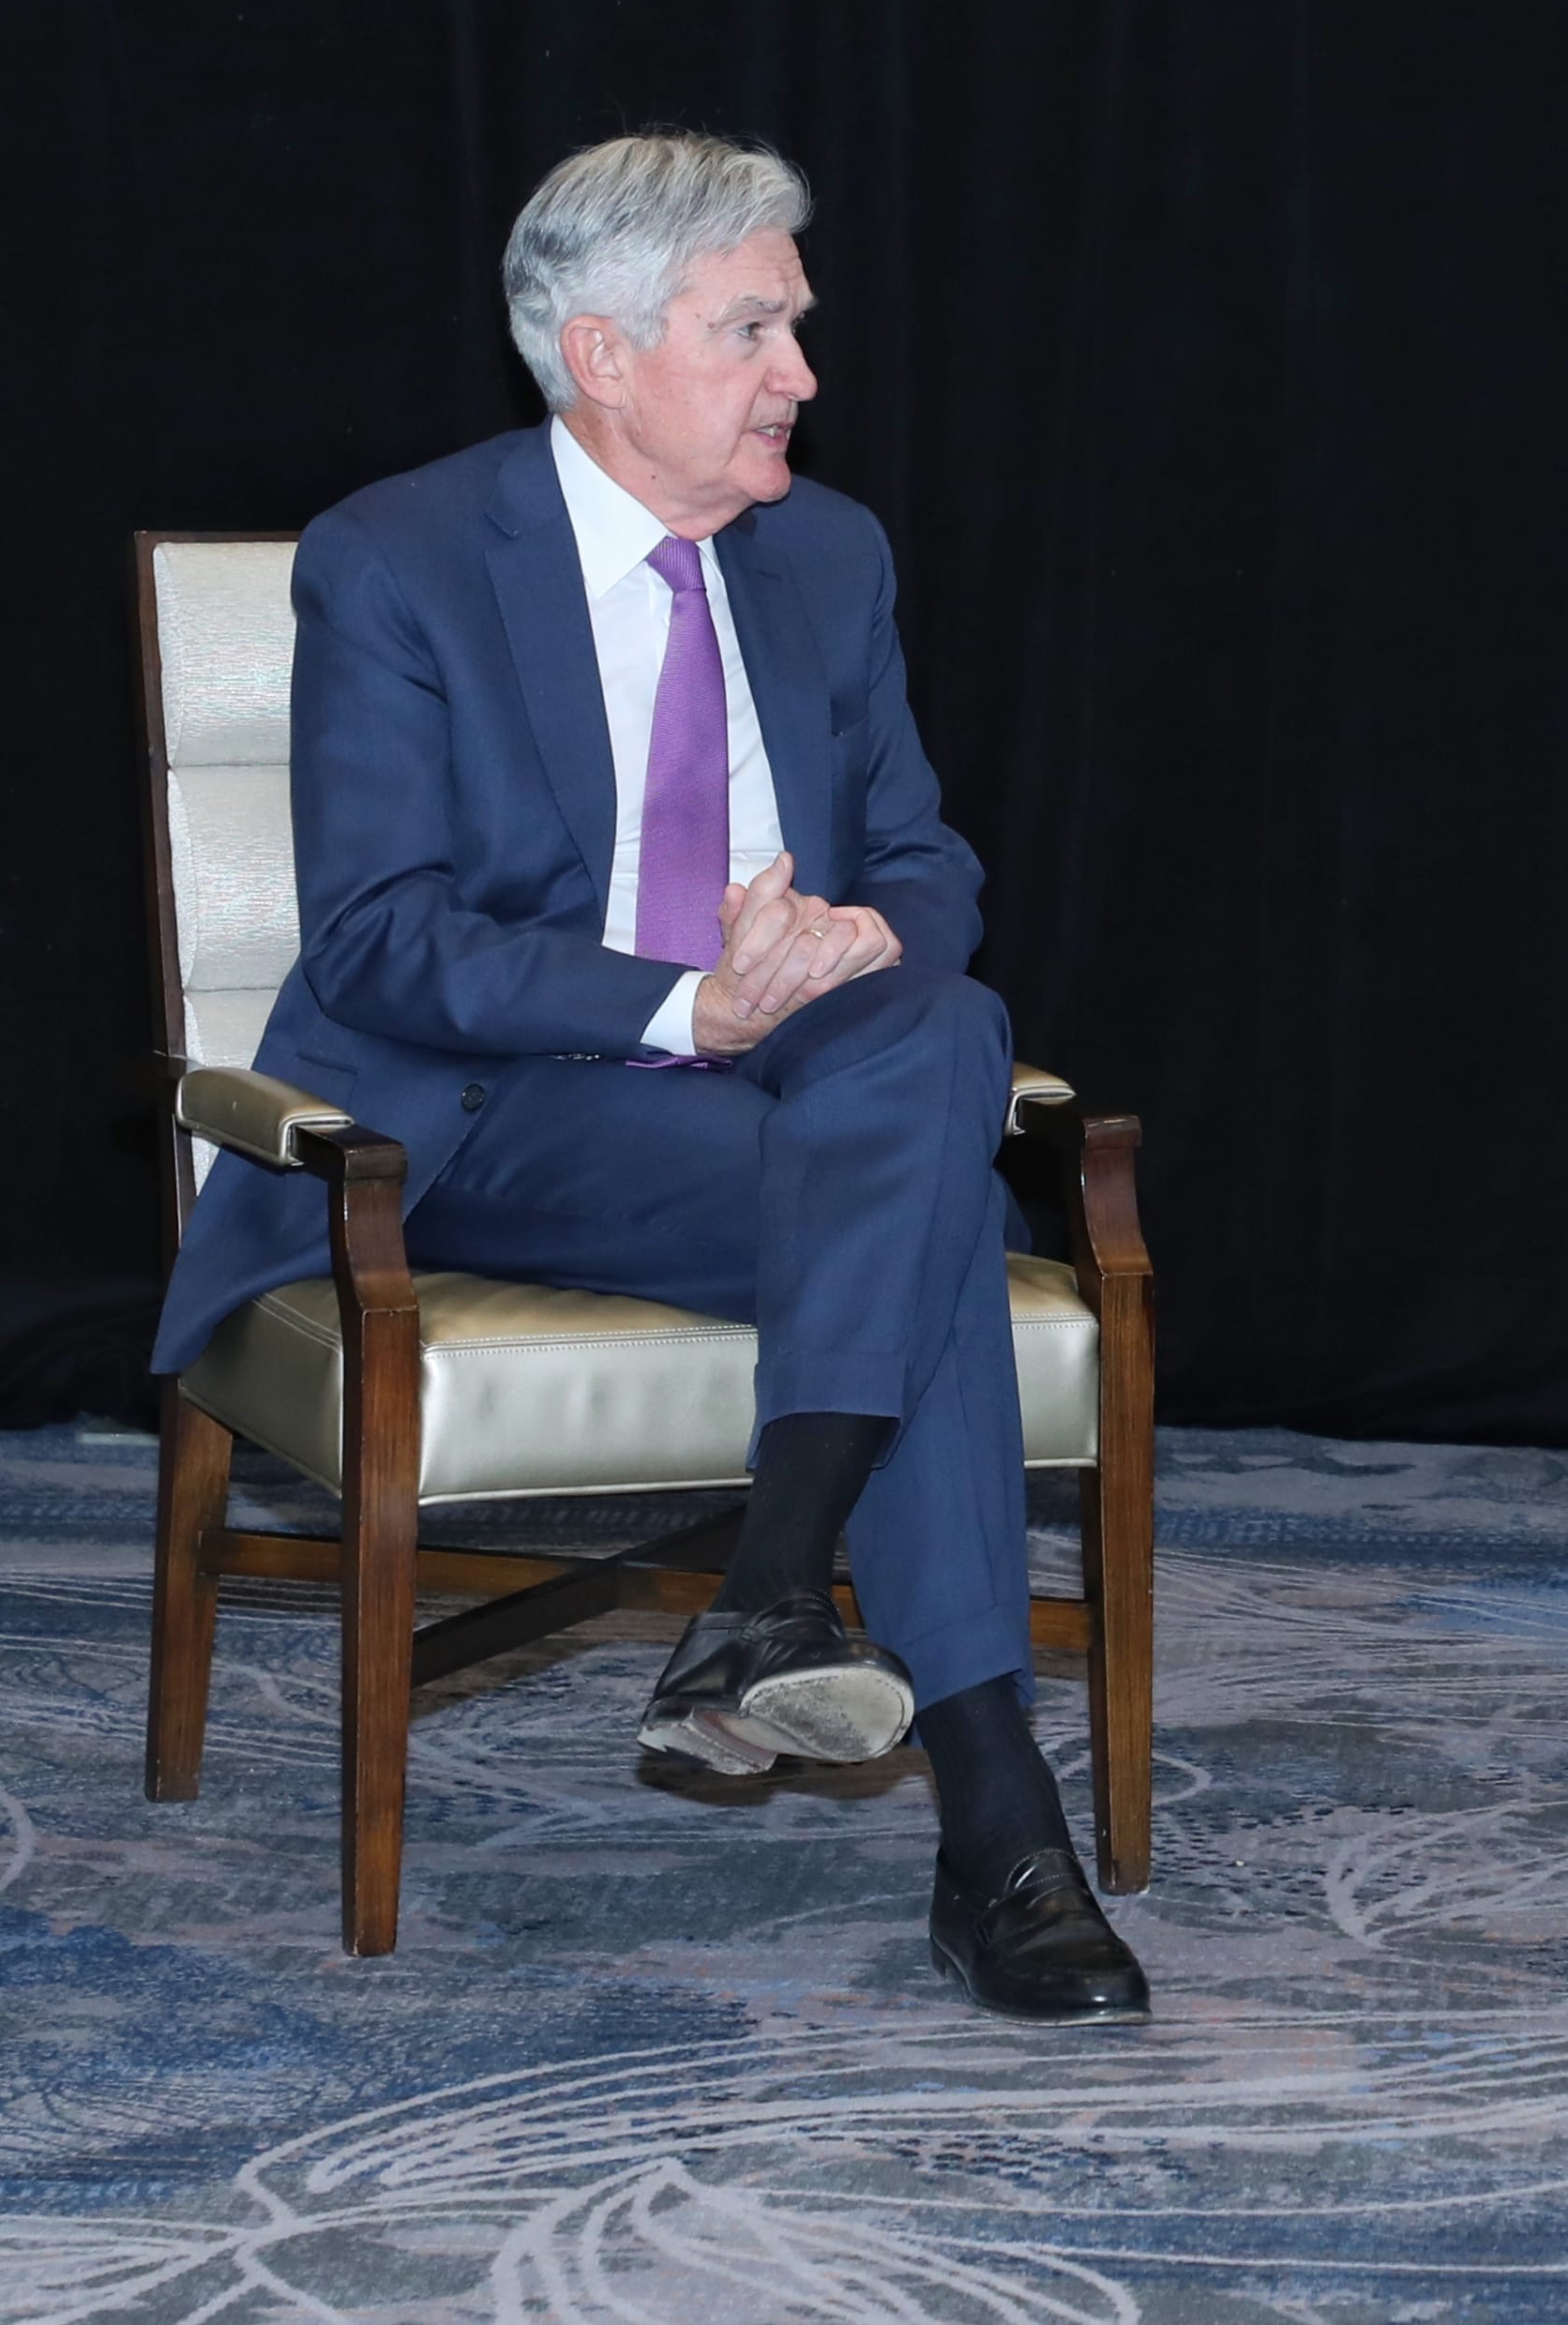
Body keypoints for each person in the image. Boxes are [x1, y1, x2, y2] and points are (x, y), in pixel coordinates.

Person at [152, 132, 1147, 2029]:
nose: (805, 375)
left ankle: (782, 1607)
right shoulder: (405, 558)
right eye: (755, 328)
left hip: (806, 1095)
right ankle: (995, 1829)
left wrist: (860, 946)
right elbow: (379, 941)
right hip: (495, 1116)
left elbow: (927, 858)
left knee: (938, 1026)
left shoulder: (828, 552)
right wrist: (698, 1001)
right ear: (602, 353)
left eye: (799, 326)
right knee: (928, 1207)